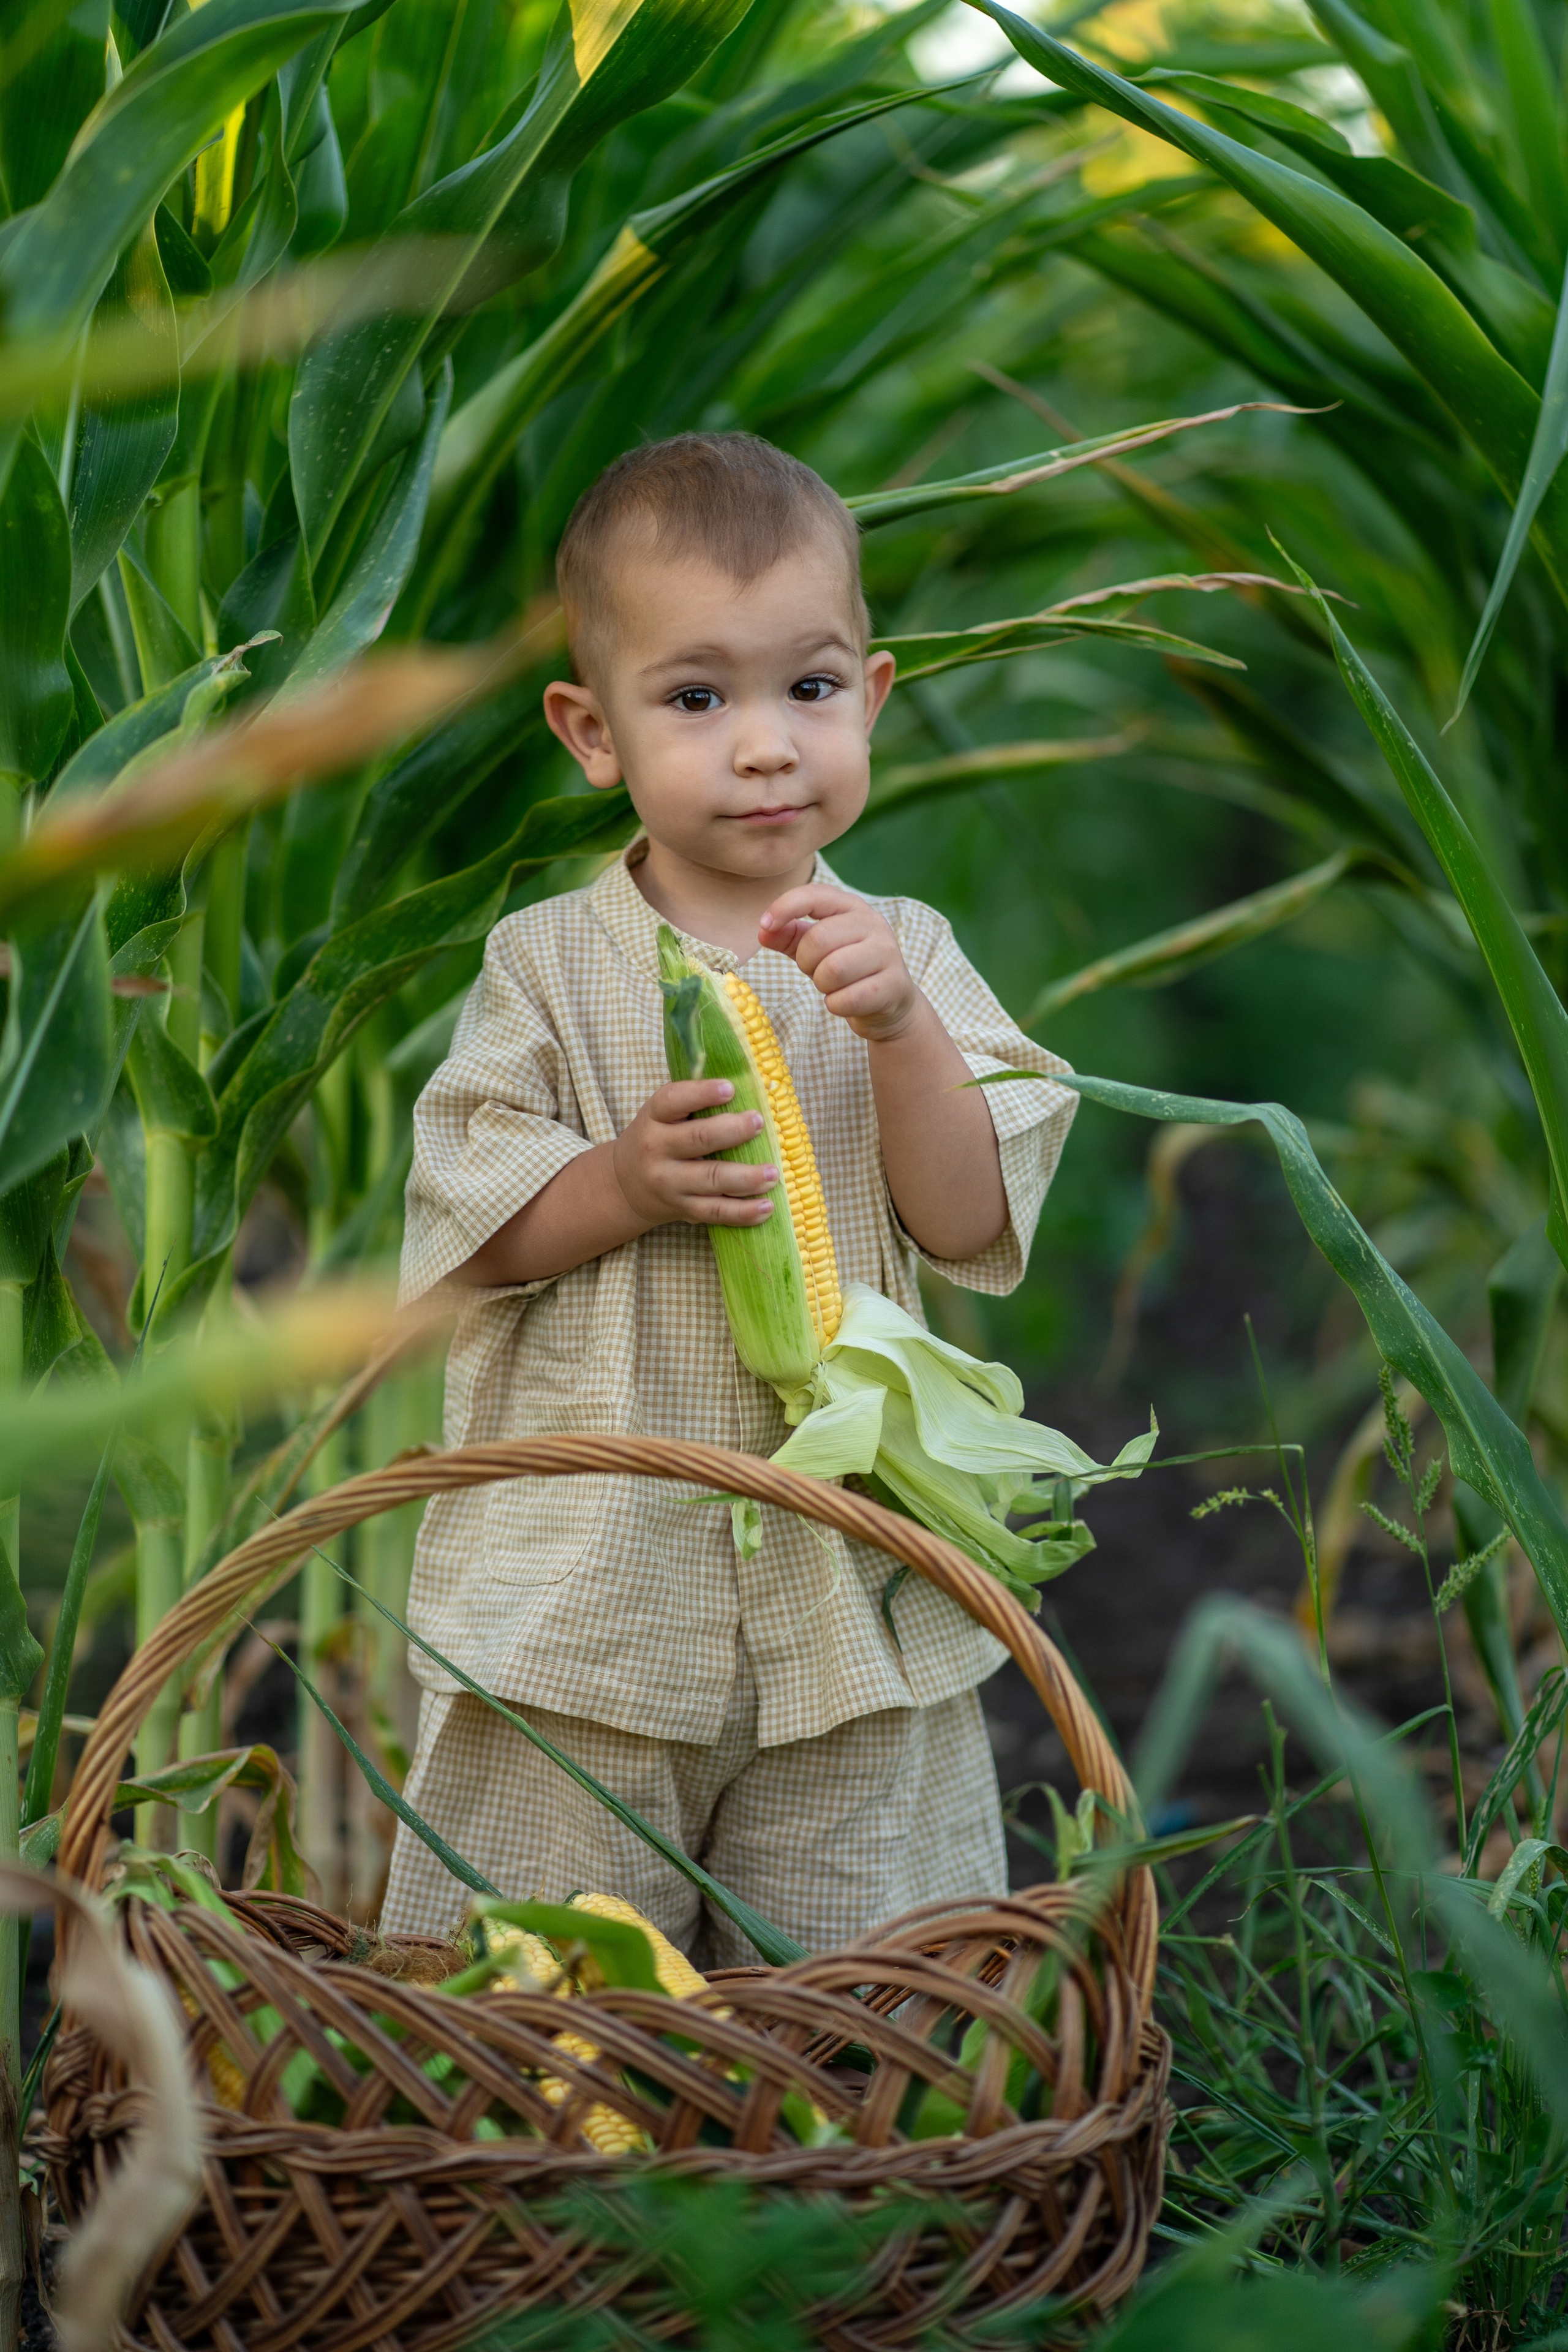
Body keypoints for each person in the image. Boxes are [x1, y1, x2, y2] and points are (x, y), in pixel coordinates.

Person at [382, 431, 1077, 1960]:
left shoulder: (905, 951)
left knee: (854, 1963)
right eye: (697, 700)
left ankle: (833, 2166)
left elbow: (968, 1222)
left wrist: (898, 1034)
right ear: (592, 731)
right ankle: (554, 2169)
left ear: (872, 699)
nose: (764, 744)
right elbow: (465, 1233)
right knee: (554, 1964)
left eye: (808, 690)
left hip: (846, 1564)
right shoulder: (545, 969)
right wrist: (620, 1184)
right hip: (588, 1585)